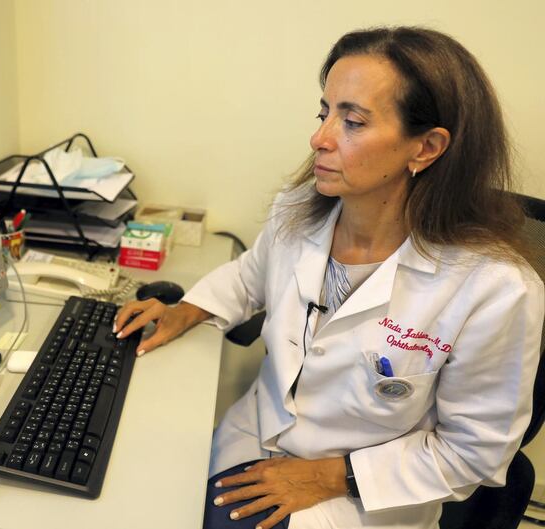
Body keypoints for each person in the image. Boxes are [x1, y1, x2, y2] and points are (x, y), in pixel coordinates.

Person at [114, 26, 544, 529]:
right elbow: (251, 276)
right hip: (252, 441)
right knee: (146, 494)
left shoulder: (495, 289)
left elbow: (475, 454)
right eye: (325, 113)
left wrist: (329, 477)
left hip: (362, 496)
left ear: (425, 147)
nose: (319, 138)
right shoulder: (300, 211)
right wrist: (188, 309)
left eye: (352, 122)